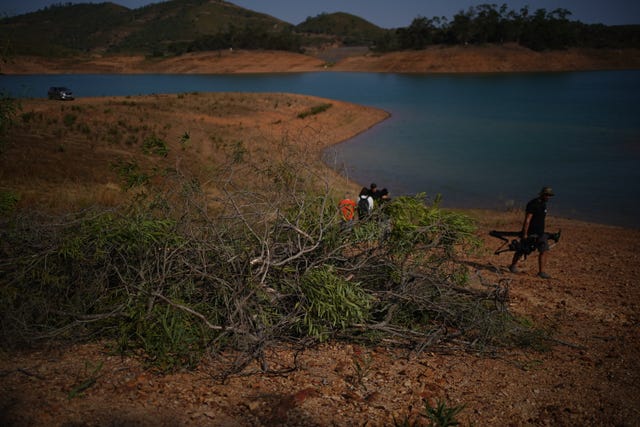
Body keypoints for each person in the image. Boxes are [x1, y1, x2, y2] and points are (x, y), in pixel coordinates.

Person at [509, 186, 555, 279]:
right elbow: (527, 220)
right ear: (542, 194)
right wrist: (525, 234)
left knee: (544, 250)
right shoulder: (533, 204)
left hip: (540, 233)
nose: (548, 197)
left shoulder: (543, 204)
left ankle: (541, 272)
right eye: (547, 195)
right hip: (531, 232)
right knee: (522, 249)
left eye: (549, 195)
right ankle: (513, 265)